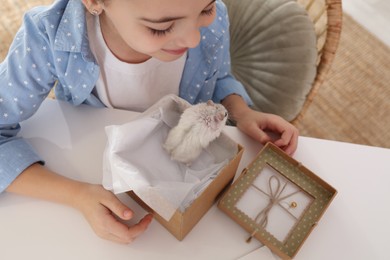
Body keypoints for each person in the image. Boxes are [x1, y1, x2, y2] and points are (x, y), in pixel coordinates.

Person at [0, 0, 299, 244]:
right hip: (94, 175)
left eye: (205, 9)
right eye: (162, 27)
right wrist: (77, 195)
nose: (194, 38)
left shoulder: (212, 22)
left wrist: (241, 112)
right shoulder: (46, 38)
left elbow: (218, 76)